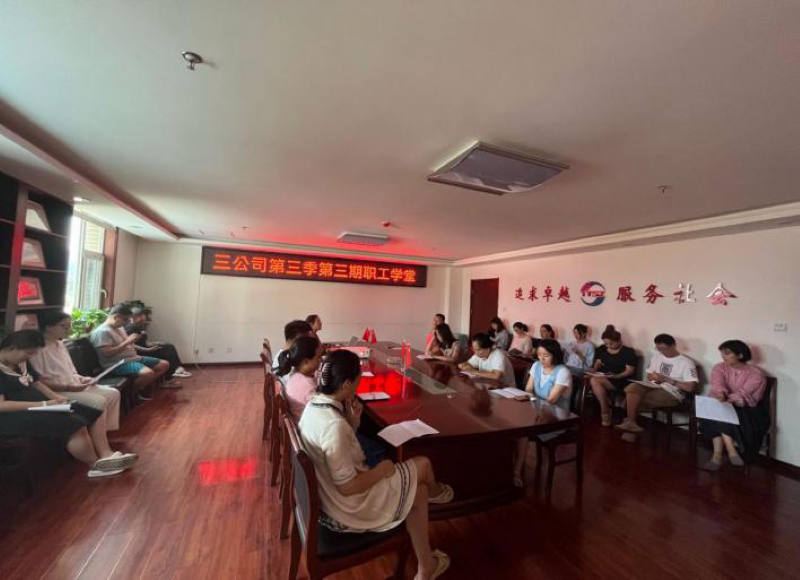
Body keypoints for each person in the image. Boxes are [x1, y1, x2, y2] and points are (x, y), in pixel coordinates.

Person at [298, 350, 452, 580]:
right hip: (348, 508)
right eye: (358, 380)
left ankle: (426, 566)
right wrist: (382, 471)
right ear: (347, 384)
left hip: (328, 498)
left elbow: (334, 451)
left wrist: (352, 424)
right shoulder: (334, 426)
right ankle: (439, 494)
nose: (359, 385)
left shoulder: (313, 407)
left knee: (419, 492)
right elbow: (347, 487)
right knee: (423, 465)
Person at [0, 330, 138, 478]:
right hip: (14, 416)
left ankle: (106, 455)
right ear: (12, 348)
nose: (30, 357)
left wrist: (56, 398)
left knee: (92, 412)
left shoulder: (19, 361)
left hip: (41, 405)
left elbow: (35, 382)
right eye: (28, 353)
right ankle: (95, 466)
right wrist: (44, 404)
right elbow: (2, 405)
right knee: (74, 424)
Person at [29, 311, 122, 432]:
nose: (68, 329)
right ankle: (96, 434)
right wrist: (70, 387)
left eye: (69, 325)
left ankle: (104, 430)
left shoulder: (60, 343)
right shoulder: (38, 349)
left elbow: (71, 371)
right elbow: (39, 381)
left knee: (113, 393)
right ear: (48, 327)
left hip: (74, 384)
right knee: (98, 401)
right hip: (58, 390)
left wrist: (82, 378)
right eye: (64, 326)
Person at [699, 340, 768, 471]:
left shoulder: (755, 374)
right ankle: (731, 451)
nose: (723, 356)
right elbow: (717, 384)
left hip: (747, 408)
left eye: (727, 353)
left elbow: (743, 394)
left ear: (740, 355)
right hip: (724, 403)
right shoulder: (719, 367)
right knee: (715, 411)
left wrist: (725, 399)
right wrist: (720, 394)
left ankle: (717, 456)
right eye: (722, 353)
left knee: (718, 413)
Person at [616, 334, 698, 439]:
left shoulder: (686, 362)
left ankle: (630, 427)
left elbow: (690, 388)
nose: (661, 352)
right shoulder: (656, 357)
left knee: (633, 399)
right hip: (654, 386)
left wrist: (667, 380)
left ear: (673, 346)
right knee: (632, 387)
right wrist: (653, 377)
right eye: (658, 349)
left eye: (664, 349)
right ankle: (631, 424)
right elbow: (649, 376)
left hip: (672, 392)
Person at [513, 339, 572, 486]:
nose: (541, 359)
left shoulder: (563, 372)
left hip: (556, 418)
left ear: (555, 355)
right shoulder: (536, 366)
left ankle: (516, 472)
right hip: (537, 413)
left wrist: (531, 401)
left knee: (523, 431)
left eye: (546, 355)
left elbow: (551, 400)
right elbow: (528, 389)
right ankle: (506, 465)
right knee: (511, 425)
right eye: (539, 355)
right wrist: (531, 401)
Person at [90, 303, 169, 402]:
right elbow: (108, 353)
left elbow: (129, 344)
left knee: (164, 365)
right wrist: (128, 341)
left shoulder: (119, 327)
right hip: (118, 363)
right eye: (126, 319)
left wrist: (146, 349)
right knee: (148, 373)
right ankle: (133, 394)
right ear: (116, 317)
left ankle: (139, 388)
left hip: (133, 358)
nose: (128, 322)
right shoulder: (102, 332)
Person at [126, 306, 191, 381]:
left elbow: (140, 342)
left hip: (145, 349)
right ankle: (172, 375)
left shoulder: (138, 327)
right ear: (138, 317)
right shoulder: (131, 328)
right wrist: (147, 349)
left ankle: (174, 371)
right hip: (141, 353)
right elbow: (131, 345)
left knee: (167, 346)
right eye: (143, 315)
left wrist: (150, 344)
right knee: (168, 349)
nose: (145, 318)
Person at [589, 325, 637, 426]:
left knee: (594, 380)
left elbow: (629, 371)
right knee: (593, 379)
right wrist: (593, 369)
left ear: (619, 341)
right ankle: (605, 408)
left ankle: (605, 411)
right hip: (605, 377)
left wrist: (616, 376)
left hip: (621, 379)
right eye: (606, 343)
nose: (609, 346)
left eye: (612, 343)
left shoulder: (628, 352)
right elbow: (598, 362)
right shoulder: (602, 349)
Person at [278, 335, 325, 421]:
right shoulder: (309, 386)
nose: (321, 360)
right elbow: (323, 413)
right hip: (308, 424)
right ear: (306, 361)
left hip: (301, 419)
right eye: (318, 357)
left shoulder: (295, 373)